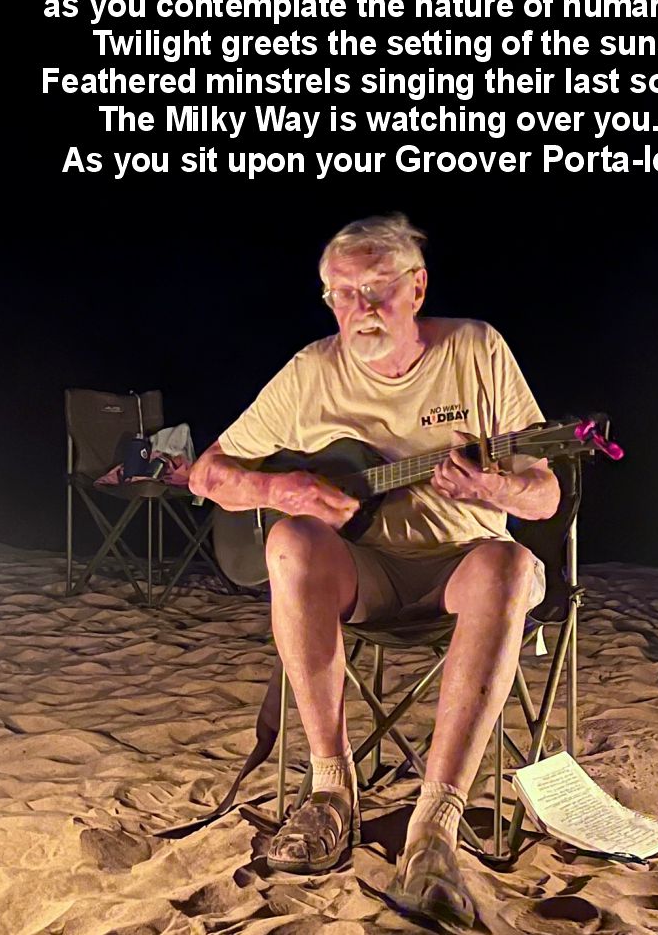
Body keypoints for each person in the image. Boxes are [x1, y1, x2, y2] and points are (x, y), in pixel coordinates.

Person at [189, 213, 560, 932]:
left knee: (509, 565)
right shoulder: (309, 373)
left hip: (463, 569)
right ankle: (331, 790)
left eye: (378, 290)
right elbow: (210, 473)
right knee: (291, 542)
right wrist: (278, 491)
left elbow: (543, 494)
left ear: (417, 288)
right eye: (343, 293)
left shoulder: (476, 349)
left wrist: (491, 489)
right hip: (365, 577)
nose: (360, 309)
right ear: (327, 299)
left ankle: (434, 828)